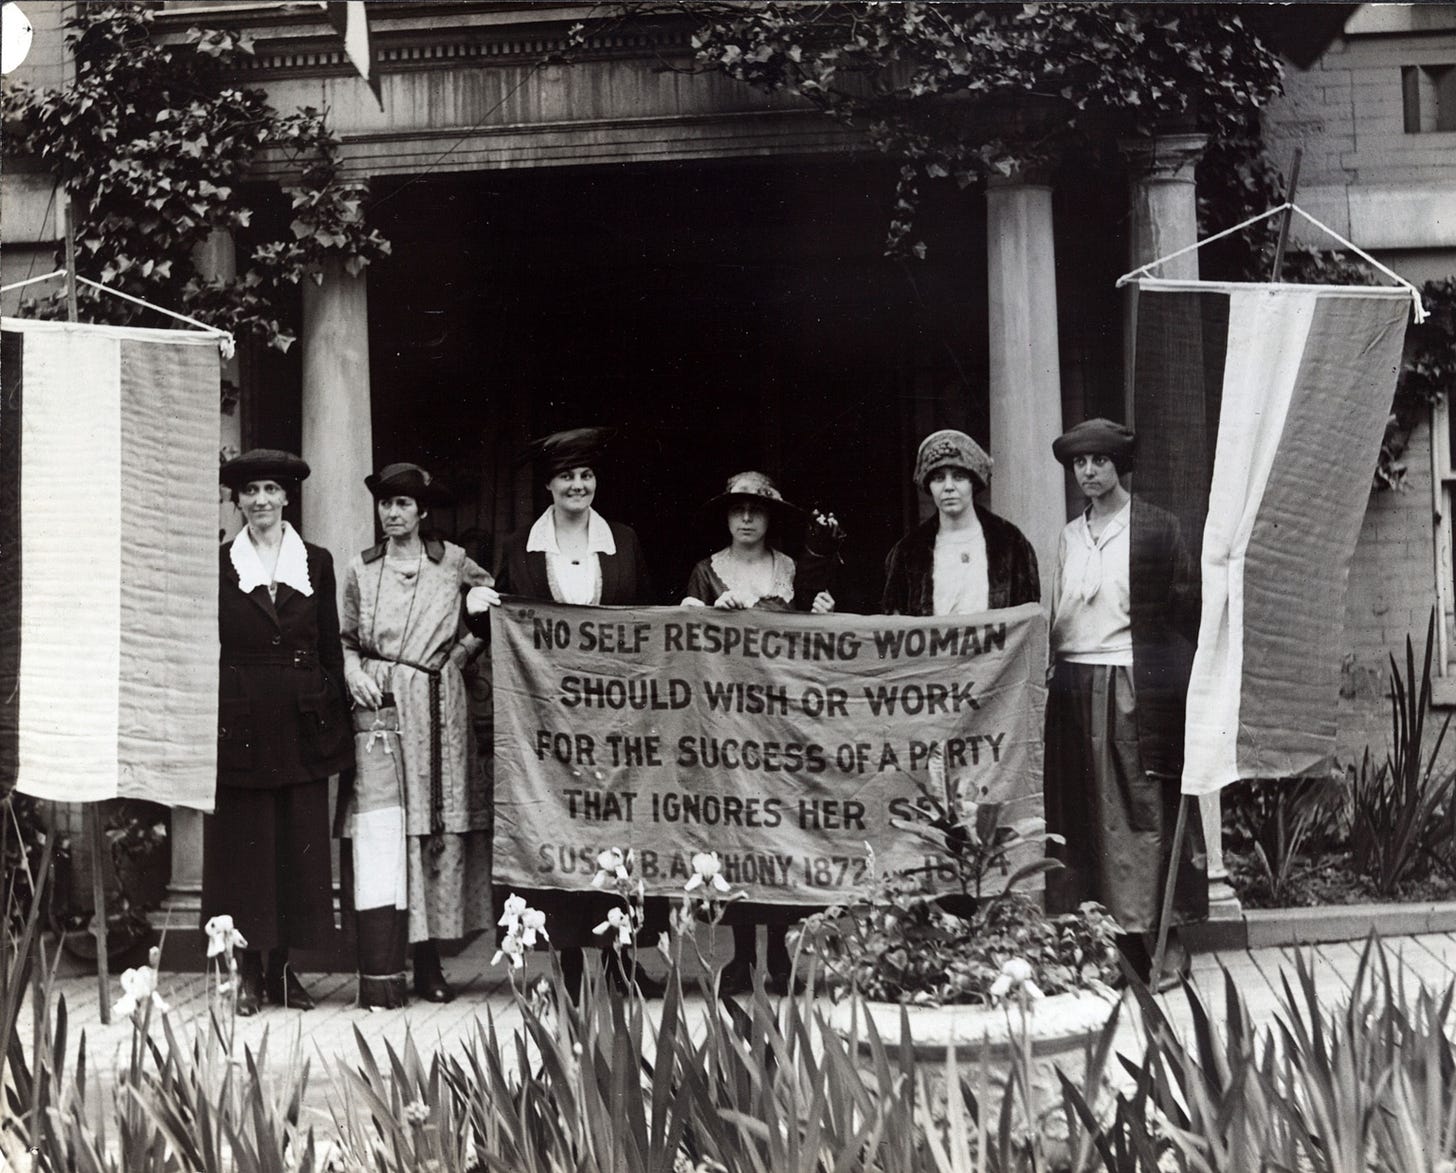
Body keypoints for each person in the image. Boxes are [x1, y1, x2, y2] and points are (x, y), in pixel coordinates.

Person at [465, 426, 664, 998]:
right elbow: (504, 626)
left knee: (620, 831)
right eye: (566, 477)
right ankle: (570, 965)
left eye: (586, 475)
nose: (578, 485)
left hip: (615, 720)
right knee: (557, 831)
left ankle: (625, 961)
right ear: (549, 486)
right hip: (547, 725)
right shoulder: (515, 548)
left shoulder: (622, 540)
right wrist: (478, 609)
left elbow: (646, 618)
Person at [1043, 418, 1207, 986]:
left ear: (1119, 466)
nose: (1088, 472)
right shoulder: (1068, 536)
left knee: (1141, 814)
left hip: (1134, 688)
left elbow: (1188, 612)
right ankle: (1102, 945)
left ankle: (1162, 943)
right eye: (1079, 464)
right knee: (1083, 817)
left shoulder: (1157, 529)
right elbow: (1059, 615)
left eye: (1099, 462)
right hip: (1073, 685)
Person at [340, 463, 496, 1007]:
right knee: (390, 829)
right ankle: (389, 963)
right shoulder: (361, 571)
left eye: (404, 503)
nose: (393, 513)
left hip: (437, 704)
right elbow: (344, 640)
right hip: (382, 707)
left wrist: (457, 657)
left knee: (433, 828)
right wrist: (355, 673)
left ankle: (431, 963)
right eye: (386, 503)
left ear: (422, 511)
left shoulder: (453, 562)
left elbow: (490, 615)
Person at [205, 449, 353, 1015]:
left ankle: (283, 970)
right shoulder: (220, 564)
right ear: (236, 500)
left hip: (302, 723)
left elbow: (330, 645)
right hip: (241, 722)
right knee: (246, 851)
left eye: (270, 489)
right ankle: (244, 972)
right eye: (249, 491)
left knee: (298, 847)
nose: (260, 501)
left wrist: (335, 722)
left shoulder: (316, 561)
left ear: (287, 497)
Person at [681, 471, 835, 994]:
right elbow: (685, 646)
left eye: (757, 510)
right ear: (726, 516)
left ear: (769, 518)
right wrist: (704, 614)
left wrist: (818, 612)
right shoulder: (706, 572)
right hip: (727, 730)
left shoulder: (792, 570)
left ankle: (781, 960)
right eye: (738, 509)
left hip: (781, 727)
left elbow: (813, 646)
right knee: (736, 839)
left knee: (781, 834)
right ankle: (743, 955)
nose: (747, 519)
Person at [881, 429, 1039, 616]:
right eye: (939, 478)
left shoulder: (1010, 543)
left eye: (958, 477)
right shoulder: (908, 552)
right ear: (929, 486)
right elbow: (894, 623)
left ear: (973, 482)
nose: (948, 487)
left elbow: (1027, 620)